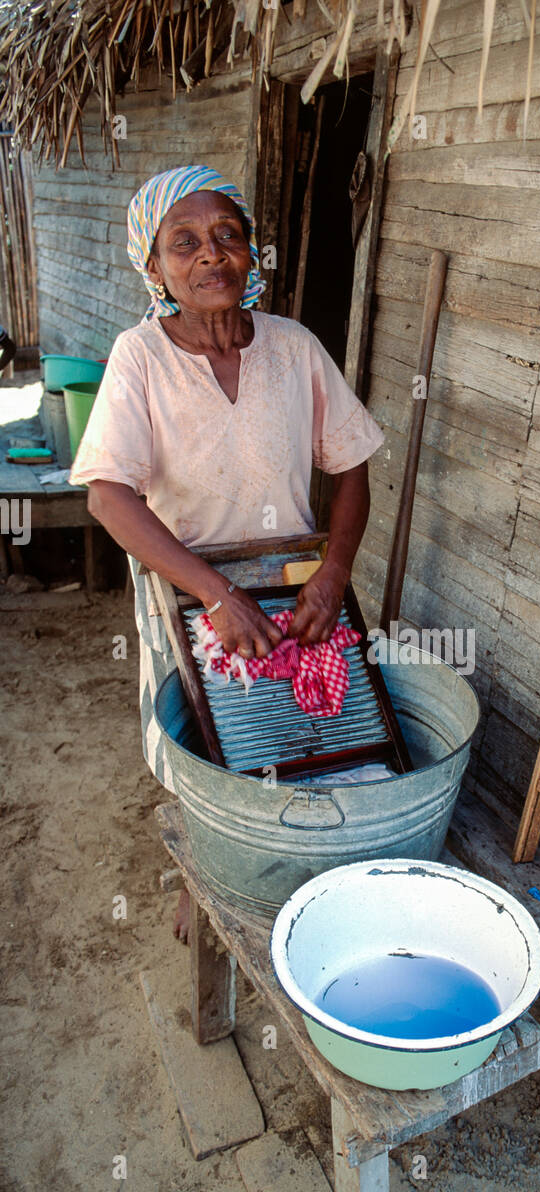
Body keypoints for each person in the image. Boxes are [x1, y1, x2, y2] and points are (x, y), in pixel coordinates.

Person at [69, 165, 384, 940]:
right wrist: (215, 594)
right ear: (155, 267)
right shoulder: (140, 357)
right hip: (190, 589)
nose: (210, 256)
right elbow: (109, 496)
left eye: (226, 237)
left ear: (251, 254)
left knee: (300, 725)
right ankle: (208, 871)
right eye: (184, 244)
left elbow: (350, 468)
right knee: (204, 743)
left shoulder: (294, 347)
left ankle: (303, 873)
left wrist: (333, 572)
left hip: (294, 584)